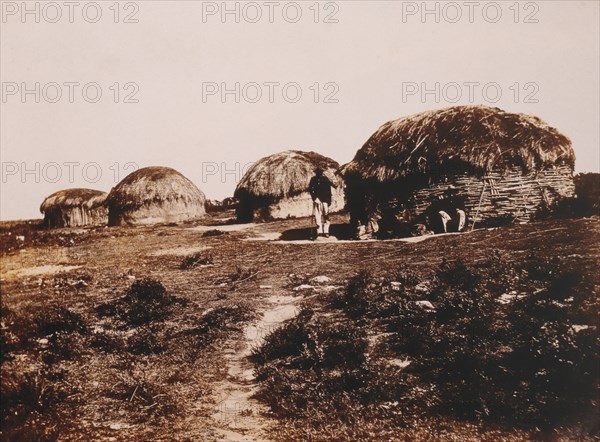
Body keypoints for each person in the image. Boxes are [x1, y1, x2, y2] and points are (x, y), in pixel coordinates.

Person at [308, 168, 334, 239]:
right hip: (317, 200)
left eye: (320, 172)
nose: (318, 174)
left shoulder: (325, 179)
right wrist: (314, 198)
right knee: (317, 216)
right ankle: (319, 232)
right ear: (315, 173)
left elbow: (329, 191)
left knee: (326, 216)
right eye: (317, 172)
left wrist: (328, 202)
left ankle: (326, 231)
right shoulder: (313, 179)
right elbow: (310, 189)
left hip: (325, 200)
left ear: (322, 172)